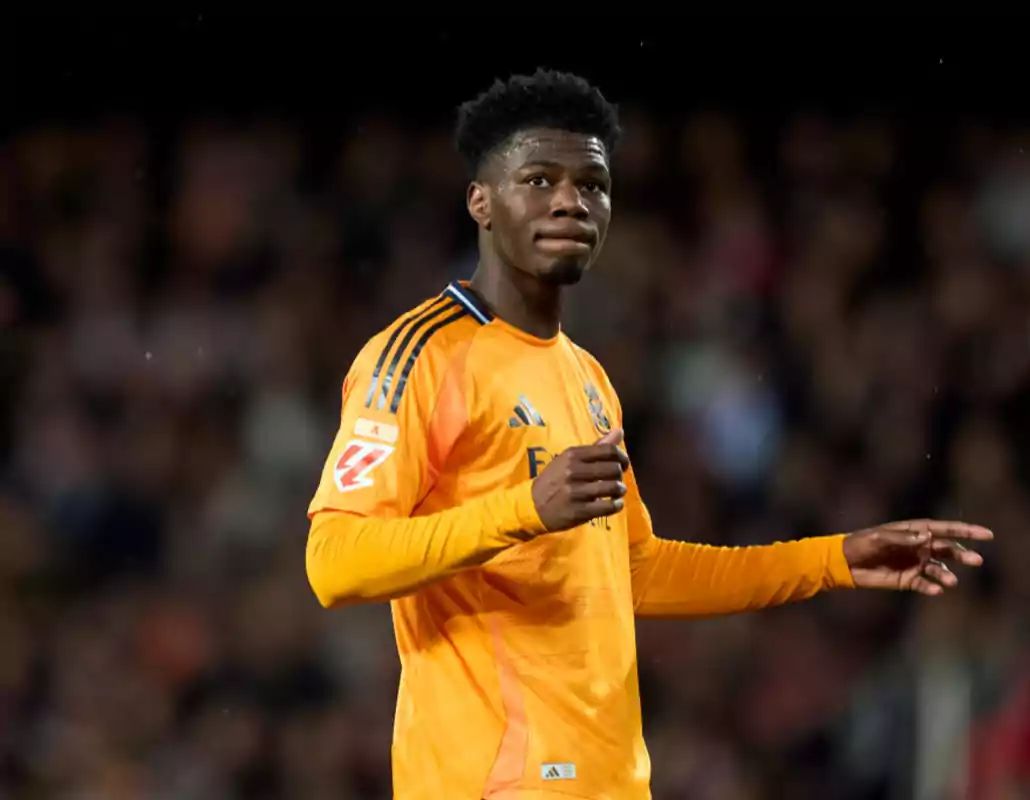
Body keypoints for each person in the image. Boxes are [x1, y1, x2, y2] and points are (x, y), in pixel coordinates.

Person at [305, 69, 993, 800]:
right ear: (481, 200)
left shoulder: (588, 378)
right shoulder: (418, 356)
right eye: (539, 180)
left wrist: (832, 559)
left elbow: (633, 571)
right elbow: (335, 562)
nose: (571, 200)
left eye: (592, 185)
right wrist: (522, 510)